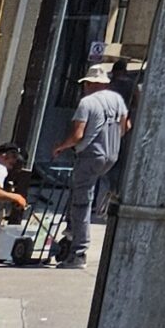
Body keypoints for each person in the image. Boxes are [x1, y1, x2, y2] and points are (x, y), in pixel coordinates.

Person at [52, 66, 131, 264]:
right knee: (81, 192)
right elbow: (126, 126)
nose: (85, 87)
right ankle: (71, 231)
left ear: (91, 84)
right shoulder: (117, 100)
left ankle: (78, 251)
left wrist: (60, 147)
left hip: (90, 155)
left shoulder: (87, 103)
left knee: (81, 203)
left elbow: (78, 135)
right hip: (111, 155)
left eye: (86, 83)